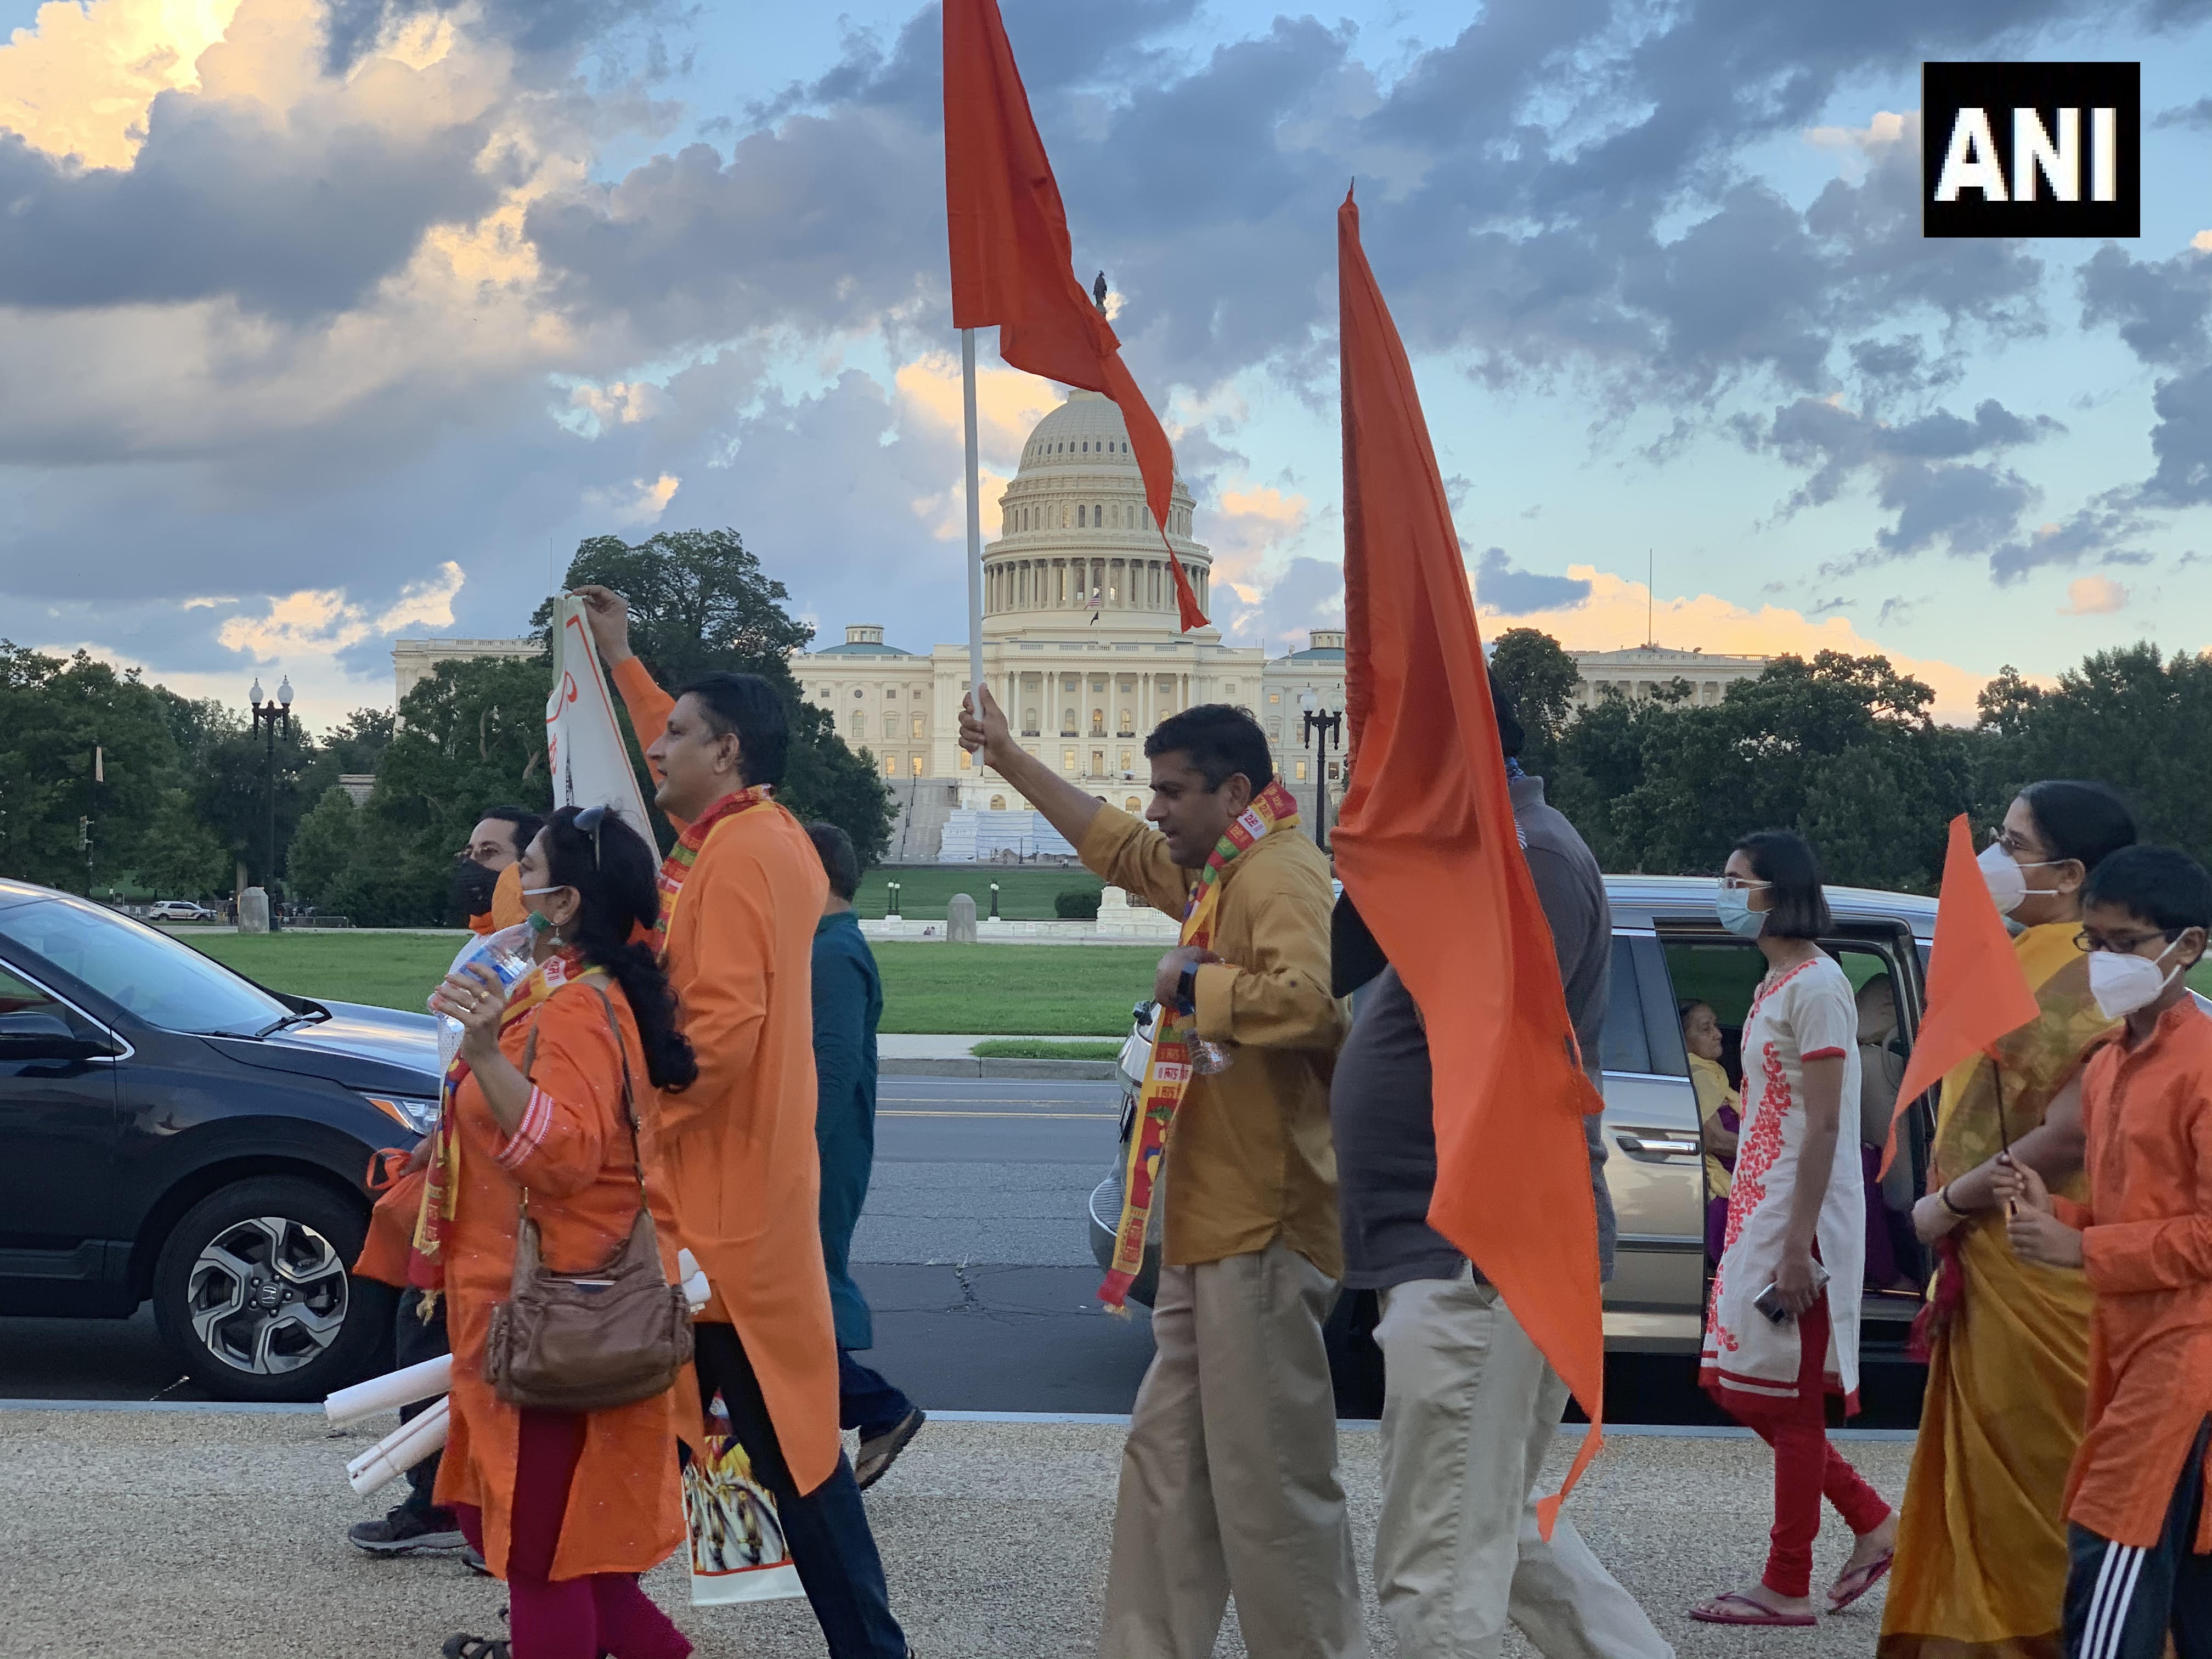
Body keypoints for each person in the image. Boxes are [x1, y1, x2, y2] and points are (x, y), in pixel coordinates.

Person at [958, 687, 1363, 1659]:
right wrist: (1008, 755)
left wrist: (1194, 982)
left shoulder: (1278, 873)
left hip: (1261, 1224)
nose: (1154, 807)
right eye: (1152, 788)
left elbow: (1315, 1005)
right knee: (1166, 1464)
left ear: (1233, 789)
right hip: (1205, 1222)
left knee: (1269, 1479)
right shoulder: (1225, 867)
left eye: (1171, 790)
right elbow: (1116, 846)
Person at [578, 584, 910, 1659]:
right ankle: (587, 1620)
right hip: (730, 1215)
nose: (657, 747)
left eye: (676, 734)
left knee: (775, 1461)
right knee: (755, 1455)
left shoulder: (737, 858)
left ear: (724, 752)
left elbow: (715, 1038)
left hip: (718, 1228)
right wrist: (624, 663)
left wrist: (625, 1121)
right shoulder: (749, 840)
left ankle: (583, 1621)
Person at [1329, 679, 1669, 1659]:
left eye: (1391, 749)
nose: (1370, 771)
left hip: (1474, 1252)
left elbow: (1486, 1039)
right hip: (1459, 1249)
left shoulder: (1531, 859)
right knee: (1498, 1529)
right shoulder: (1485, 853)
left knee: (1436, 1565)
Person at [424, 805, 697, 1659]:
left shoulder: (579, 1007)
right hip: (557, 1304)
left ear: (564, 899)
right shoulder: (575, 993)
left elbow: (563, 1157)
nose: (511, 885)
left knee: (542, 1555)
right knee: (577, 1555)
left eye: (524, 868)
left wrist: (487, 1054)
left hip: (558, 1317)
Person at [1881, 781, 2138, 1659]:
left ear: (2070, 871)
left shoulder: (2090, 973)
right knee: (1992, 1488)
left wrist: (1947, 1202)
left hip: (2044, 1258)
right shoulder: (2020, 955)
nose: (1993, 860)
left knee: (2044, 1478)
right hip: (1988, 1258)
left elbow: (2070, 1134)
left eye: (2013, 844)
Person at [1995, 844, 2212, 1659]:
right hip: (2131, 1343)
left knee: (2113, 1555)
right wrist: (2060, 1215)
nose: (2105, 963)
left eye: (2127, 943)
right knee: (2189, 1582)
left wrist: (2081, 1250)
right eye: (2095, 943)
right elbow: (2137, 1210)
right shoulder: (2108, 1066)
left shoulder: (2203, 1067)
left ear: (2188, 946)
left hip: (2185, 1355)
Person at [1693, 830, 1896, 1629]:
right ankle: (1873, 1524)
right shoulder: (1778, 982)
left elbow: (1822, 1127)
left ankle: (1788, 1582)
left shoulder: (1819, 986)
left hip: (1795, 1220)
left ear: (1780, 892)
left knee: (1787, 1397)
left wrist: (1795, 1245)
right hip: (1764, 1209)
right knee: (1748, 1387)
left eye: (1737, 880)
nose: (1726, 892)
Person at [806, 819, 926, 1489]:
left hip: (821, 1153)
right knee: (792, 1300)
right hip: (814, 1151)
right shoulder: (822, 945)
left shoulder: (831, 952)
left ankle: (878, 1408)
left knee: (798, 1296)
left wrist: (798, 1155)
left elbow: (834, 1059)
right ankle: (865, 1413)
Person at [1683, 1000, 1740, 1265]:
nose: (1718, 1034)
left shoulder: (1712, 1071)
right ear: (1684, 1042)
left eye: (1715, 1025)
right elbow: (1715, 1139)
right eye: (1706, 1029)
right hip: (1736, 1168)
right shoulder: (1700, 1074)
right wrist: (1774, 1155)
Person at [458, 806, 545, 936]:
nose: (471, 862)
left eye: (488, 851)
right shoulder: (481, 938)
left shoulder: (545, 944)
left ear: (528, 862)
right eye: (468, 853)